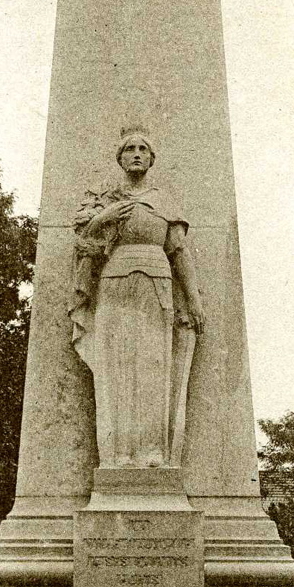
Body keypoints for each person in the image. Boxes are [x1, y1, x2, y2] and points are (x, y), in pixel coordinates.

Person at [69, 128, 204, 468]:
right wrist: (104, 217)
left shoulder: (164, 202)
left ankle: (153, 453)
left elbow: (179, 251)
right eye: (129, 148)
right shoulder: (107, 201)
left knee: (152, 366)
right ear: (120, 157)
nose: (136, 153)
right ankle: (119, 454)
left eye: (143, 148)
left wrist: (194, 300)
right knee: (116, 368)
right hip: (114, 284)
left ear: (152, 158)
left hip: (156, 283)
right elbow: (85, 244)